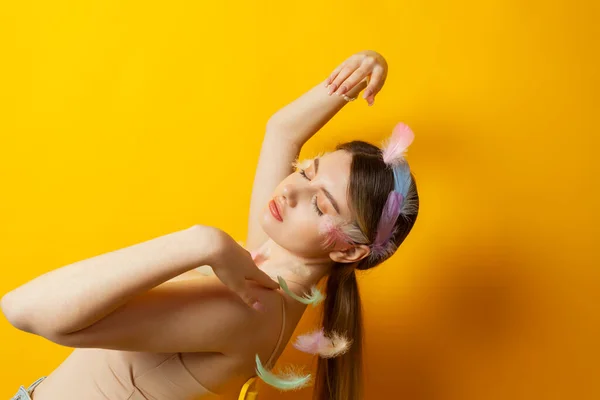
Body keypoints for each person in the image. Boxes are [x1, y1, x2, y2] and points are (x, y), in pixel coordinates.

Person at [2, 49, 419, 400]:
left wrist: (203, 243)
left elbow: (24, 309)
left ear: (347, 251)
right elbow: (282, 131)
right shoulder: (267, 265)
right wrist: (360, 70)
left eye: (322, 206)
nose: (291, 191)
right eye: (307, 171)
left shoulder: (251, 306)